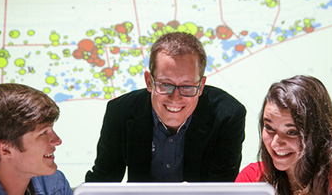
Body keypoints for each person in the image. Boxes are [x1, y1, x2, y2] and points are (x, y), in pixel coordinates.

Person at [86, 32, 246, 182]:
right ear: (149, 82)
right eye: (165, 84)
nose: (175, 98)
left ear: (201, 86)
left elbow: (222, 191)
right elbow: (102, 183)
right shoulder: (120, 112)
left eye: (187, 86)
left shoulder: (228, 116)